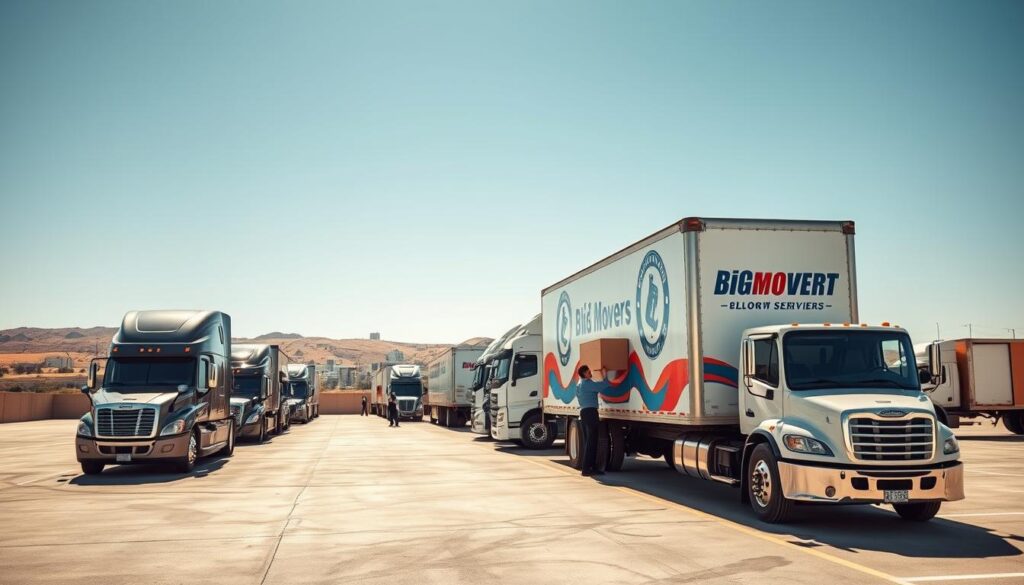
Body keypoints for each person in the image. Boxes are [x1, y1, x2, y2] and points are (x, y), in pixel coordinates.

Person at [576, 365, 609, 477]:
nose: (591, 373)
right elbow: (604, 385)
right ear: (584, 373)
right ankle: (587, 469)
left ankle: (590, 467)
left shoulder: (579, 384)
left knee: (589, 441)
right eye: (589, 371)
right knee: (592, 441)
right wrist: (605, 375)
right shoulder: (587, 384)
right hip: (590, 412)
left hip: (584, 412)